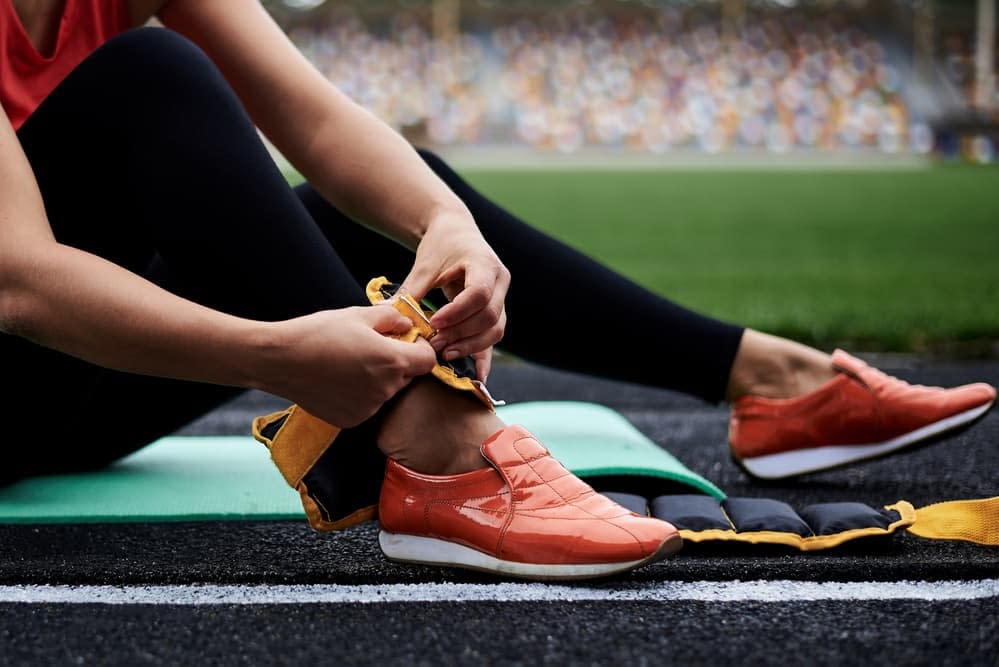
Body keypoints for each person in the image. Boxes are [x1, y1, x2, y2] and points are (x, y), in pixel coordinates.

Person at [1, 0, 994, 579]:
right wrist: (276, 356)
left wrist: (449, 226)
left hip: (64, 383)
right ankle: (437, 449)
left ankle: (772, 381)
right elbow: (21, 282)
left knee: (376, 208)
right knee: (151, 73)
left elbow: (318, 118)